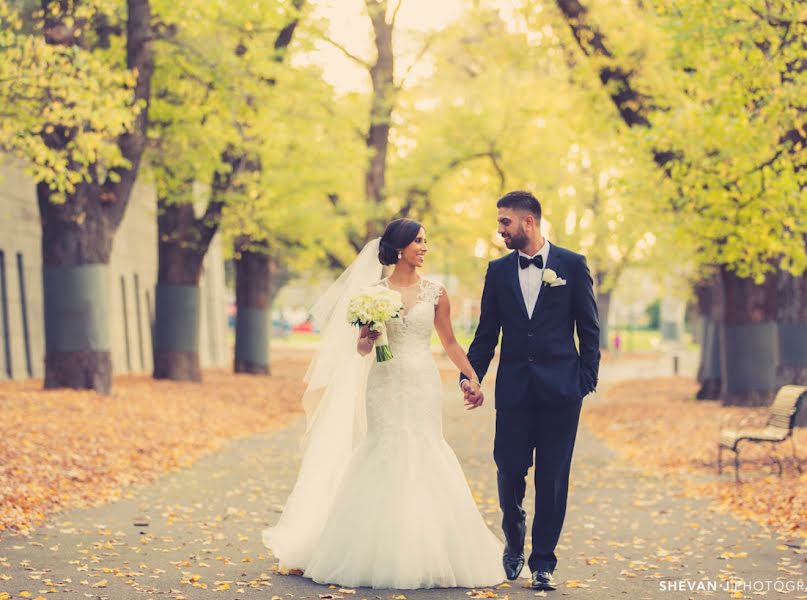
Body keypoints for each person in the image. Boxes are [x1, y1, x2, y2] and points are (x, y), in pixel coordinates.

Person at [263, 218, 505, 589]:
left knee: (424, 448)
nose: (424, 247)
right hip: (384, 381)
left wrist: (471, 378)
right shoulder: (371, 293)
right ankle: (370, 549)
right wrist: (368, 337)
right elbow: (361, 348)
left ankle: (427, 549)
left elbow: (451, 343)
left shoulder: (436, 292)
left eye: (426, 241)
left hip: (422, 382)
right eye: (418, 242)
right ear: (399, 247)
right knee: (383, 448)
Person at [460, 191, 600, 591]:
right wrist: (470, 376)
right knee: (508, 469)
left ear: (529, 222)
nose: (500, 229)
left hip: (562, 392)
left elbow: (589, 329)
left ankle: (543, 563)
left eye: (505, 222)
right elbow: (486, 333)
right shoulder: (498, 270)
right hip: (515, 391)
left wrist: (584, 381)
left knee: (554, 478)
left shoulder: (572, 265)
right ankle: (514, 537)